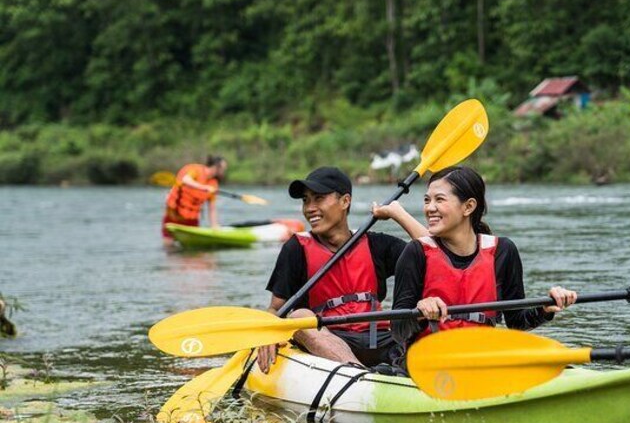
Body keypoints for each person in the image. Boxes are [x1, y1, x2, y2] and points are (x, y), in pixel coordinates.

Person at [390, 166, 577, 369]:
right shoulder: (416, 253)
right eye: (427, 200)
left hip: (480, 360)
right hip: (428, 364)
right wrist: (419, 310)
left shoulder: (502, 251)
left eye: (439, 199)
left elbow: (517, 321)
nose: (429, 208)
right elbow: (398, 329)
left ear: (468, 207)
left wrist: (545, 308)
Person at [257, 166, 427, 373]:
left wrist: (397, 213)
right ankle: (359, 374)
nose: (309, 208)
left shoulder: (377, 244)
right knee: (298, 316)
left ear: (345, 201)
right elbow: (276, 309)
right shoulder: (296, 249)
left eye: (318, 198)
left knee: (427, 306)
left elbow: (435, 254)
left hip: (382, 340)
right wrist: (268, 333)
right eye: (305, 200)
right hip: (328, 341)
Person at [162, 156, 228, 244]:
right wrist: (204, 187)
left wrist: (214, 226)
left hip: (192, 218)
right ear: (216, 167)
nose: (224, 172)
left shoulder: (213, 184)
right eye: (223, 169)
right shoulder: (195, 170)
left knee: (192, 251)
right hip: (175, 213)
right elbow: (186, 180)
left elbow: (212, 209)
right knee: (169, 244)